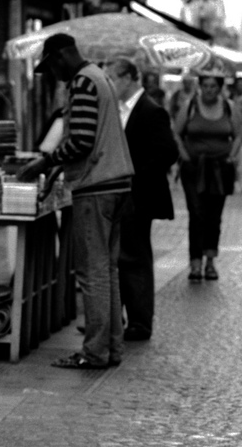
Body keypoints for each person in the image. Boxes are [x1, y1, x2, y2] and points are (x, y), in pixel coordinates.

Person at [18, 33, 135, 370]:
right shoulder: (101, 77)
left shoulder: (83, 82)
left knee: (92, 273)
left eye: (51, 67)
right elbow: (90, 137)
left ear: (60, 57)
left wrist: (45, 162)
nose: (53, 74)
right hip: (116, 184)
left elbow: (81, 140)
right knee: (107, 271)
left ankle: (95, 352)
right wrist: (57, 171)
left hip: (96, 187)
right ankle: (111, 348)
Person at [104, 58, 178, 341]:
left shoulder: (150, 110)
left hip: (139, 196)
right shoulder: (119, 109)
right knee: (121, 257)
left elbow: (167, 152)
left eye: (112, 78)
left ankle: (140, 322)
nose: (109, 84)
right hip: (122, 195)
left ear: (129, 78)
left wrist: (134, 174)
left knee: (135, 258)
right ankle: (117, 318)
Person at [172, 70, 242, 281]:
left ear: (220, 88)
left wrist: (231, 157)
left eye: (213, 87)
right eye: (205, 86)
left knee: (214, 216)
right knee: (197, 213)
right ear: (200, 86)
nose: (209, 91)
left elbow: (238, 134)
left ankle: (210, 261)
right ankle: (195, 263)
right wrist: (185, 156)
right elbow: (176, 132)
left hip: (220, 168)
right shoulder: (191, 106)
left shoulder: (229, 107)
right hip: (194, 168)